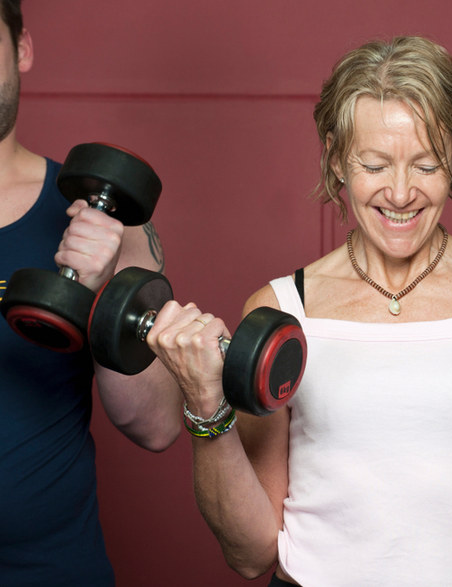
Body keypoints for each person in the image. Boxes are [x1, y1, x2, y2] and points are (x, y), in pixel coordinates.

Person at [146, 36, 452, 586]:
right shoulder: (281, 311)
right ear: (337, 159)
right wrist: (205, 404)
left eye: (426, 164)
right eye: (375, 164)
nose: (402, 193)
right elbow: (250, 553)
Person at [0, 2, 183, 584]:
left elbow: (156, 425)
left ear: (21, 48)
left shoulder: (107, 226)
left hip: (51, 569)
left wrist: (104, 290)